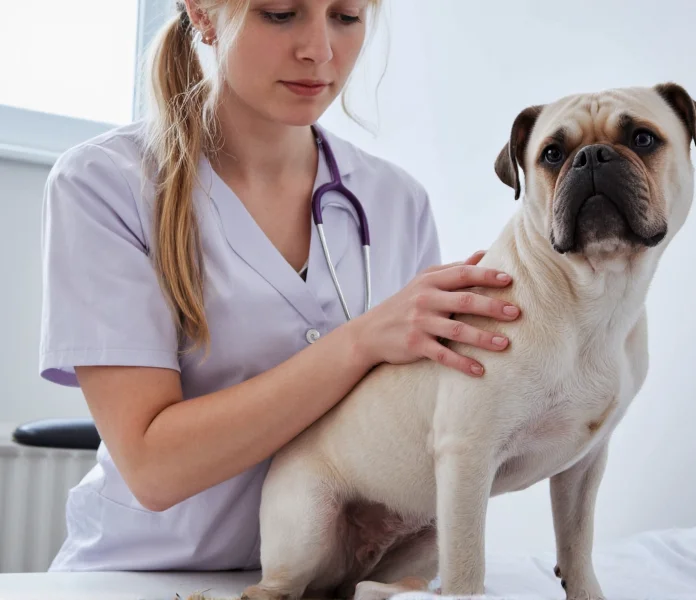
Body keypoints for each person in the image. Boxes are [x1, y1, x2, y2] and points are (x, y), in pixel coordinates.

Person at [39, 0, 520, 572]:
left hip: (330, 582)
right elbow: (152, 467)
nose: (318, 50)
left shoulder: (397, 202)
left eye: (345, 17)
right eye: (279, 13)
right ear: (203, 14)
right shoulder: (105, 185)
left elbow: (412, 426)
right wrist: (360, 342)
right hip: (146, 575)